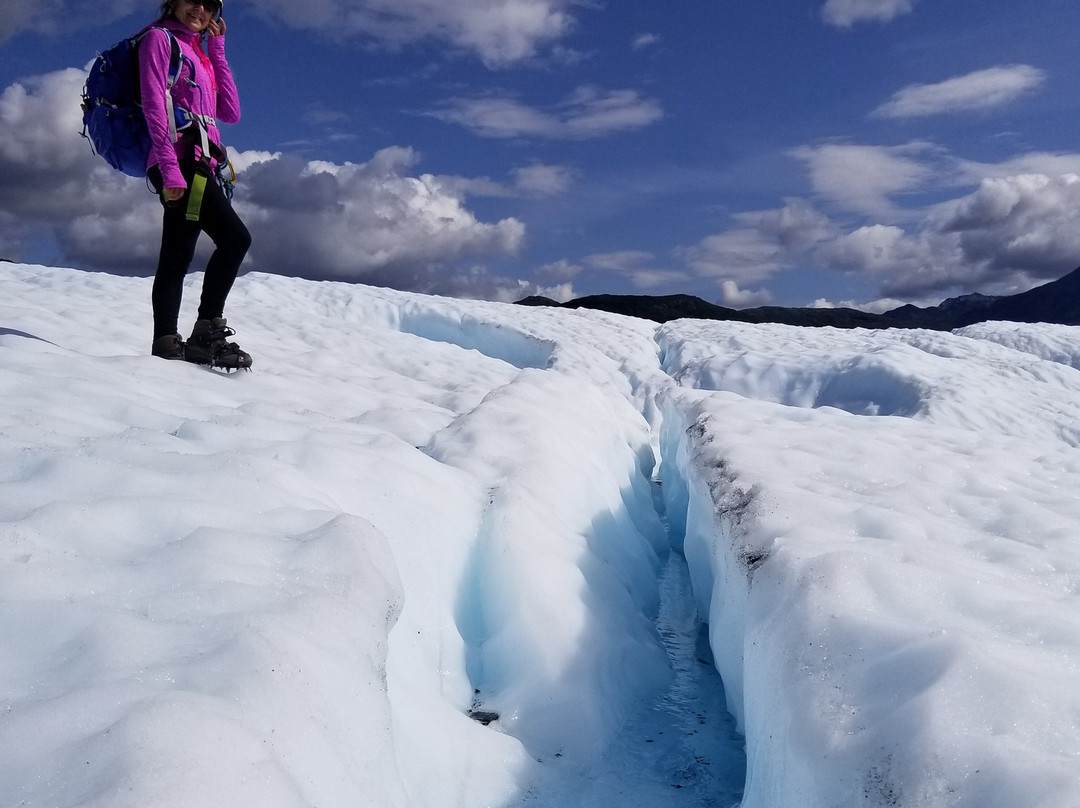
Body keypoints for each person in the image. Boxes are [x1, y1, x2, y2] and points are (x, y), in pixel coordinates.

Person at [140, 0, 252, 369]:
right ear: (174, 2)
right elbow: (154, 105)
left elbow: (230, 112)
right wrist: (169, 169)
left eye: (210, 5)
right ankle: (207, 332)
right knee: (236, 238)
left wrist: (216, 51)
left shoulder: (196, 52)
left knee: (177, 254)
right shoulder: (159, 40)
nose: (200, 9)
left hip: (200, 163)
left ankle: (166, 342)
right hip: (180, 162)